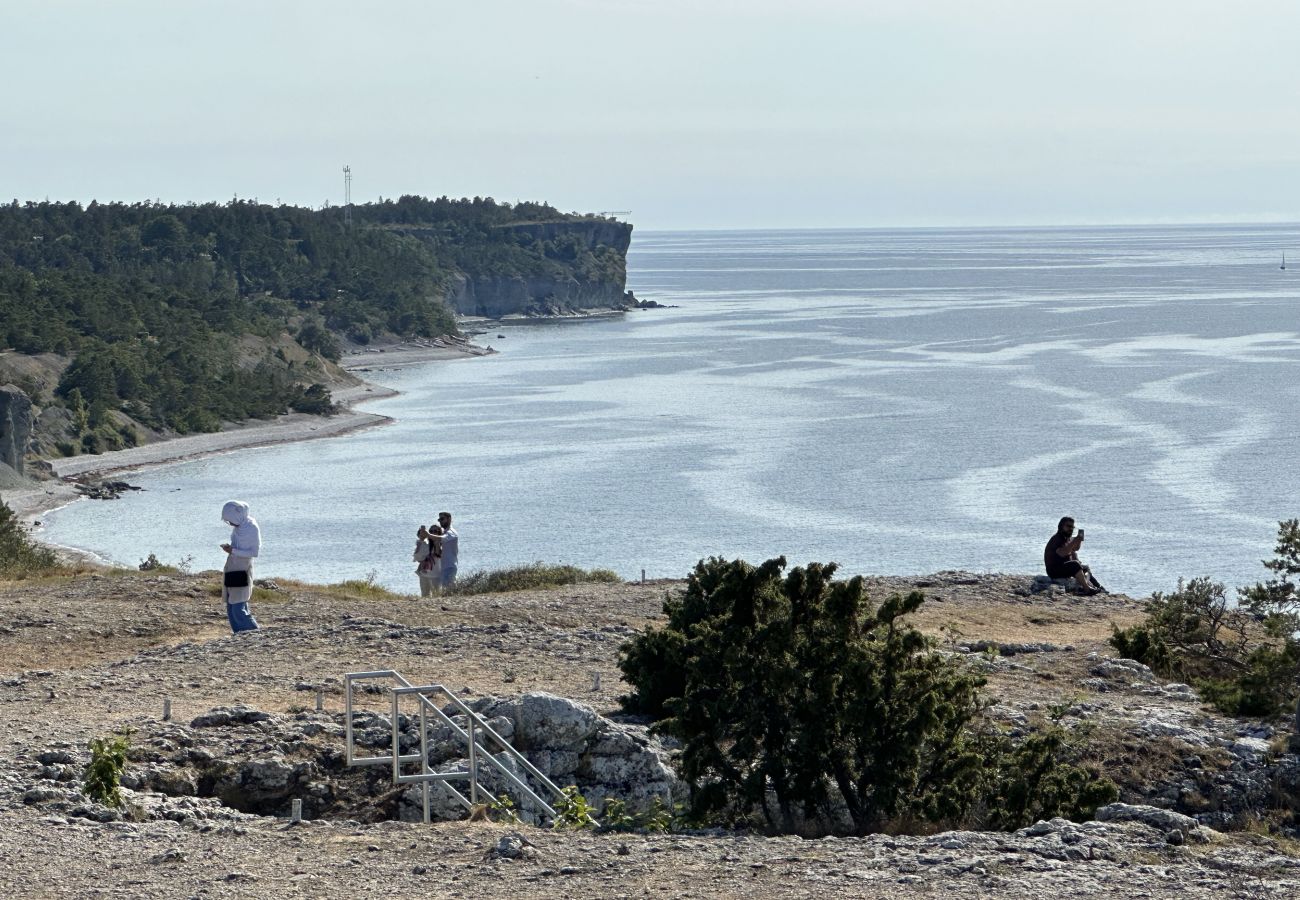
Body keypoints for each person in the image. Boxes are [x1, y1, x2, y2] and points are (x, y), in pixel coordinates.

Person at [220, 500, 261, 632]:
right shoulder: (239, 527)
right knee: (231, 605)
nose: (230, 524)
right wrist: (231, 550)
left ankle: (253, 632)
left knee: (238, 605)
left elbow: (254, 552)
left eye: (230, 520)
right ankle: (238, 634)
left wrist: (233, 551)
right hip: (232, 566)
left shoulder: (251, 528)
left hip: (242, 568)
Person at [1044, 516, 1102, 595]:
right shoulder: (1057, 539)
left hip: (1062, 567)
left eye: (1072, 527)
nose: (1070, 529)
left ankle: (1098, 587)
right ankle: (1087, 589)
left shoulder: (1066, 539)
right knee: (1075, 564)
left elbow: (1075, 549)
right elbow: (1062, 553)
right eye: (1068, 526)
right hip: (1054, 570)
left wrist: (1078, 541)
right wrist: (1075, 540)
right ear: (1061, 526)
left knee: (1085, 568)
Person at [413, 524, 441, 597]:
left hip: (436, 575)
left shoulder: (443, 544)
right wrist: (421, 538)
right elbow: (417, 557)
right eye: (431, 531)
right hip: (424, 574)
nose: (433, 533)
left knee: (437, 596)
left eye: (435, 531)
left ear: (439, 533)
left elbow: (438, 553)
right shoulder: (425, 545)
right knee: (425, 595)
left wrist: (437, 542)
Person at [432, 511, 458, 589]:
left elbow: (442, 538)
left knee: (449, 589)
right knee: (447, 588)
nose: (440, 521)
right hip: (444, 566)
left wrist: (428, 535)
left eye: (442, 519)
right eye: (439, 520)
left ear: (449, 519)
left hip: (450, 566)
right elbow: (439, 553)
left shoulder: (451, 532)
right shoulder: (444, 532)